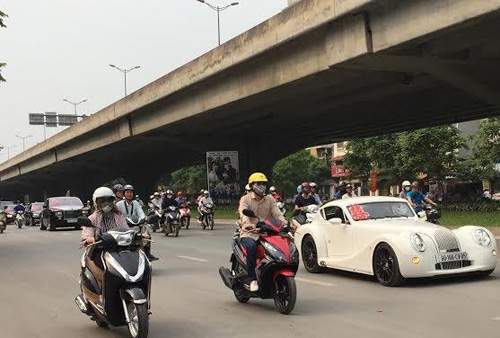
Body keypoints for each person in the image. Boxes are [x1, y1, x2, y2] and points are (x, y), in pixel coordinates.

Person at [238, 172, 286, 292]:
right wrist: (248, 225)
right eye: (259, 183)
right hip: (250, 233)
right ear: (252, 185)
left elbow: (277, 214)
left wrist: (285, 223)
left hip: (267, 232)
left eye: (264, 184)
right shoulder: (245, 199)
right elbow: (243, 213)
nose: (262, 186)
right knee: (252, 247)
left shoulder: (269, 199)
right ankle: (252, 279)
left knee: (282, 247)